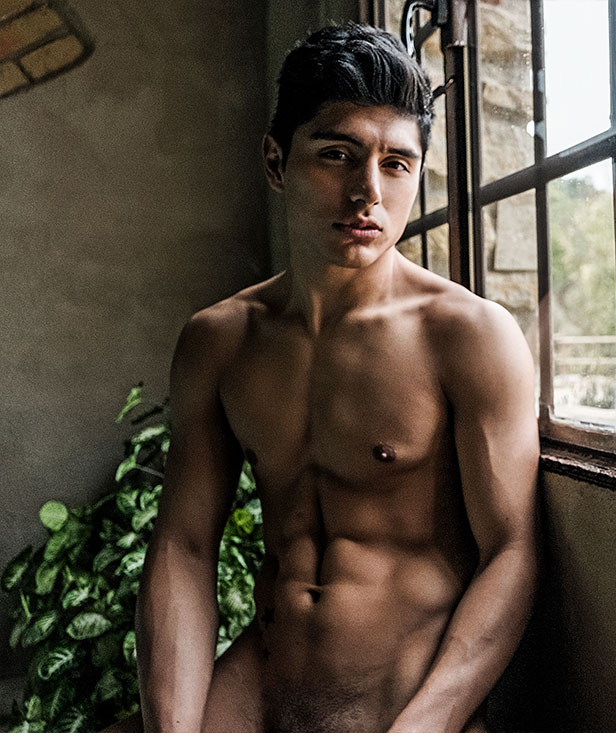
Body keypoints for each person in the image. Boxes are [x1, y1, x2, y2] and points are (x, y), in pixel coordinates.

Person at [107, 22, 540, 733]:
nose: (368, 192)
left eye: (396, 164)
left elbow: (512, 553)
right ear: (276, 161)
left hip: (402, 708)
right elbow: (185, 546)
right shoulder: (221, 341)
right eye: (337, 155)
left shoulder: (468, 336)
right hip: (262, 688)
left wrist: (425, 726)